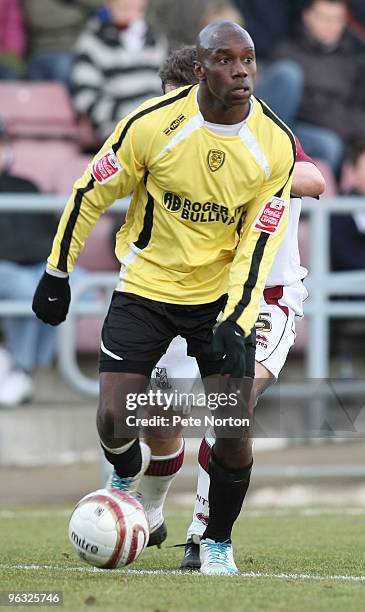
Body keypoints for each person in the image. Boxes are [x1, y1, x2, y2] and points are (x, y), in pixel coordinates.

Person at [32, 21, 296, 575]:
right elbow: (89, 191)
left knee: (232, 429)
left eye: (248, 59)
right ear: (199, 70)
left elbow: (258, 243)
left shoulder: (273, 144)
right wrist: (57, 271)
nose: (241, 70)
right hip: (146, 288)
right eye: (225, 60)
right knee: (113, 415)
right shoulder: (151, 126)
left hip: (219, 300)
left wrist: (239, 316)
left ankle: (216, 544)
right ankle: (126, 472)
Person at [138, 44, 325, 570]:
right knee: (155, 408)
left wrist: (254, 179)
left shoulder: (261, 139)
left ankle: (206, 536)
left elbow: (314, 180)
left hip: (267, 298)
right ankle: (150, 507)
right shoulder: (166, 152)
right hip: (196, 298)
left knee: (228, 411)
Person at [273, 0, 365, 173]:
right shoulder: (288, 53)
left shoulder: (354, 60)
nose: (330, 26)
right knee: (328, 144)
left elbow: (358, 108)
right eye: (323, 18)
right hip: (293, 128)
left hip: (340, 134)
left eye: (337, 19)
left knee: (334, 146)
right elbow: (297, 107)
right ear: (306, 17)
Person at [71, 0, 167, 141]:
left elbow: (166, 89)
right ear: (108, 4)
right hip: (117, 131)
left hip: (157, 127)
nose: (126, 3)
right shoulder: (92, 43)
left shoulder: (156, 41)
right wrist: (130, 116)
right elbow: (85, 98)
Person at [21, 0, 100, 85]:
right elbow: (37, 19)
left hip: (75, 49)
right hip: (39, 52)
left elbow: (102, 4)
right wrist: (78, 12)